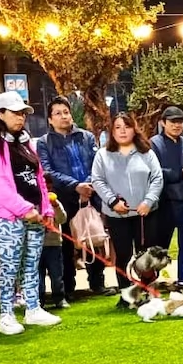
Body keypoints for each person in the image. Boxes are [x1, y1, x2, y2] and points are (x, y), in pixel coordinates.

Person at [0, 91, 62, 335]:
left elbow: (39, 178)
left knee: (31, 263)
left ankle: (33, 309)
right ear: (0, 114)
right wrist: (23, 209)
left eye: (23, 113)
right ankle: (6, 314)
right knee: (10, 264)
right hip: (6, 215)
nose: (21, 117)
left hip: (34, 212)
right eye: (15, 112)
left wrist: (45, 209)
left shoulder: (26, 142)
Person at [37, 96, 106, 298]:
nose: (63, 116)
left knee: (94, 237)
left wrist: (88, 184)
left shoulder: (85, 137)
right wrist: (76, 186)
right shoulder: (44, 142)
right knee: (66, 244)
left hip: (90, 194)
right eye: (57, 113)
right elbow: (47, 171)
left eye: (66, 112)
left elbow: (96, 163)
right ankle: (68, 287)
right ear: (50, 119)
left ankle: (97, 282)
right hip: (63, 198)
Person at [91, 113, 163, 304]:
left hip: (145, 214)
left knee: (146, 255)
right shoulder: (103, 155)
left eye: (127, 126)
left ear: (134, 129)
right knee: (123, 255)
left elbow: (157, 178)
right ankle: (127, 296)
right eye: (118, 127)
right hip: (117, 215)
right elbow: (97, 180)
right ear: (112, 131)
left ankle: (148, 292)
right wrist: (113, 202)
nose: (123, 131)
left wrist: (148, 201)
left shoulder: (146, 152)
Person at [150, 106, 183, 285]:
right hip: (165, 202)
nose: (177, 125)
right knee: (159, 244)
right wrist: (180, 173)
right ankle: (151, 279)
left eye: (180, 122)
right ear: (163, 123)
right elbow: (152, 172)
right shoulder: (153, 144)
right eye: (173, 122)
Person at [38, 187, 68, 308]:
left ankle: (59, 298)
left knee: (57, 274)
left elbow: (62, 219)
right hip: (37, 246)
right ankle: (39, 300)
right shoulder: (30, 202)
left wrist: (55, 206)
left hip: (54, 245)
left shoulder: (54, 203)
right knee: (38, 276)